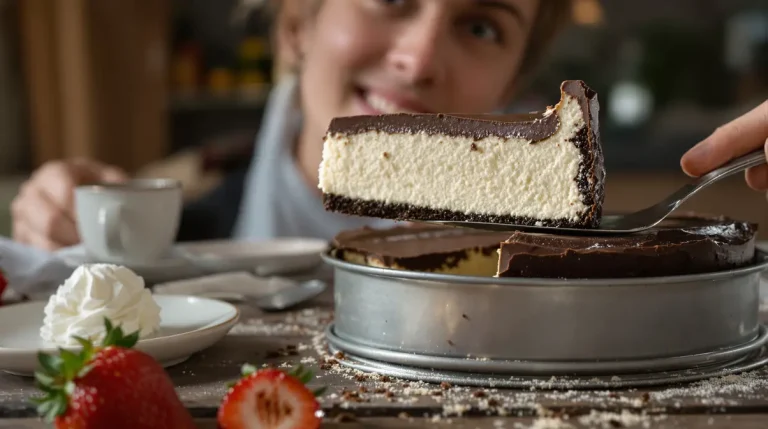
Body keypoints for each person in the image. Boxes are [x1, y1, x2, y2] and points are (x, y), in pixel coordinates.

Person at [10, 0, 768, 252]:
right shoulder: (177, 227)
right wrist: (68, 230)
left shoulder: (564, 268)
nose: (419, 58)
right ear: (298, 25)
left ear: (512, 82)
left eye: (480, 26)